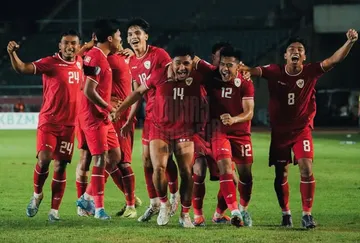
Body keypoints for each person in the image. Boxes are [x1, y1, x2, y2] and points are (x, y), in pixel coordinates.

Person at [239, 29, 358, 228]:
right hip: (279, 132)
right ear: (285, 55)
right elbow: (254, 70)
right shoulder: (274, 71)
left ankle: (307, 215)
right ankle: (286, 213)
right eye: (291, 49)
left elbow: (333, 60)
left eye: (300, 49)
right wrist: (243, 69)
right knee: (281, 174)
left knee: (306, 167)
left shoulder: (311, 71)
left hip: (301, 129)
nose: (296, 51)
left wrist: (349, 42)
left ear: (304, 56)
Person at [114, 45, 203, 228]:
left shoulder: (199, 75)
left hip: (184, 130)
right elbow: (138, 92)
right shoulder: (159, 75)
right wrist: (120, 110)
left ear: (192, 63)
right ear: (172, 62)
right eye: (178, 63)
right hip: (159, 128)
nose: (182, 68)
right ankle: (163, 204)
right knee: (158, 168)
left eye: (186, 63)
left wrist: (244, 72)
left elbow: (221, 73)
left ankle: (184, 214)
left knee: (187, 172)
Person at [7, 29, 83, 221]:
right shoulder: (50, 63)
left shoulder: (81, 61)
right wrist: (12, 53)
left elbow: (93, 49)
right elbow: (23, 68)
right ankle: (37, 195)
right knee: (45, 159)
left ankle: (54, 211)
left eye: (74, 43)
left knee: (61, 166)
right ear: (60, 45)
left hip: (69, 125)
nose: (70, 46)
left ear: (78, 46)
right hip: (49, 122)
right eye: (66, 43)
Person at [126, 18, 179, 222]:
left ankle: (173, 196)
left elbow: (173, 80)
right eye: (130, 34)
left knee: (164, 161)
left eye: (137, 32)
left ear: (146, 36)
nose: (133, 37)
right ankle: (155, 203)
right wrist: (129, 120)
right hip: (149, 116)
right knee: (147, 161)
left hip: (166, 116)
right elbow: (137, 94)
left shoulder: (159, 55)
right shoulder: (131, 62)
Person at [196, 46, 255, 227]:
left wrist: (234, 119)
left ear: (239, 67)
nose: (224, 68)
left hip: (241, 133)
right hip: (217, 130)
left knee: (246, 177)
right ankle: (235, 211)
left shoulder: (245, 83)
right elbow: (193, 58)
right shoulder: (211, 74)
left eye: (229, 65)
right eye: (222, 64)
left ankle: (240, 210)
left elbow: (249, 112)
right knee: (223, 168)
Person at [75, 18, 122, 220]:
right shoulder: (95, 57)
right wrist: (108, 106)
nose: (121, 40)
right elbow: (88, 90)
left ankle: (86, 197)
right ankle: (99, 209)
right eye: (119, 36)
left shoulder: (97, 56)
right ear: (110, 38)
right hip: (93, 117)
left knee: (115, 157)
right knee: (100, 158)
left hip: (102, 117)